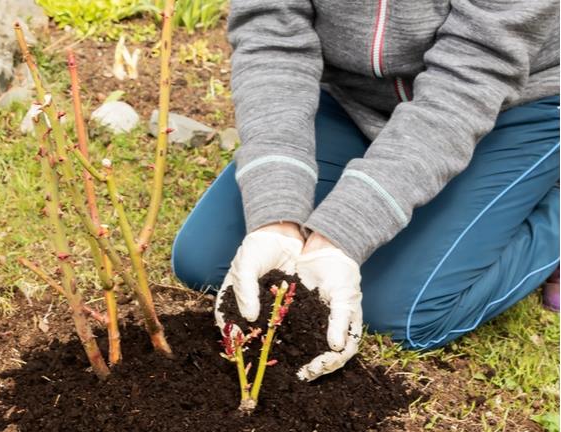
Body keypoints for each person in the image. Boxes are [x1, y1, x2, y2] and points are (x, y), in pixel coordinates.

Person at [171, 1, 560, 381]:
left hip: (513, 104)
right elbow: (272, 36)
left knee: (400, 314)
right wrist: (276, 219)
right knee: (207, 262)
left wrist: (340, 236)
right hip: (352, 97)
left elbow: (472, 76)